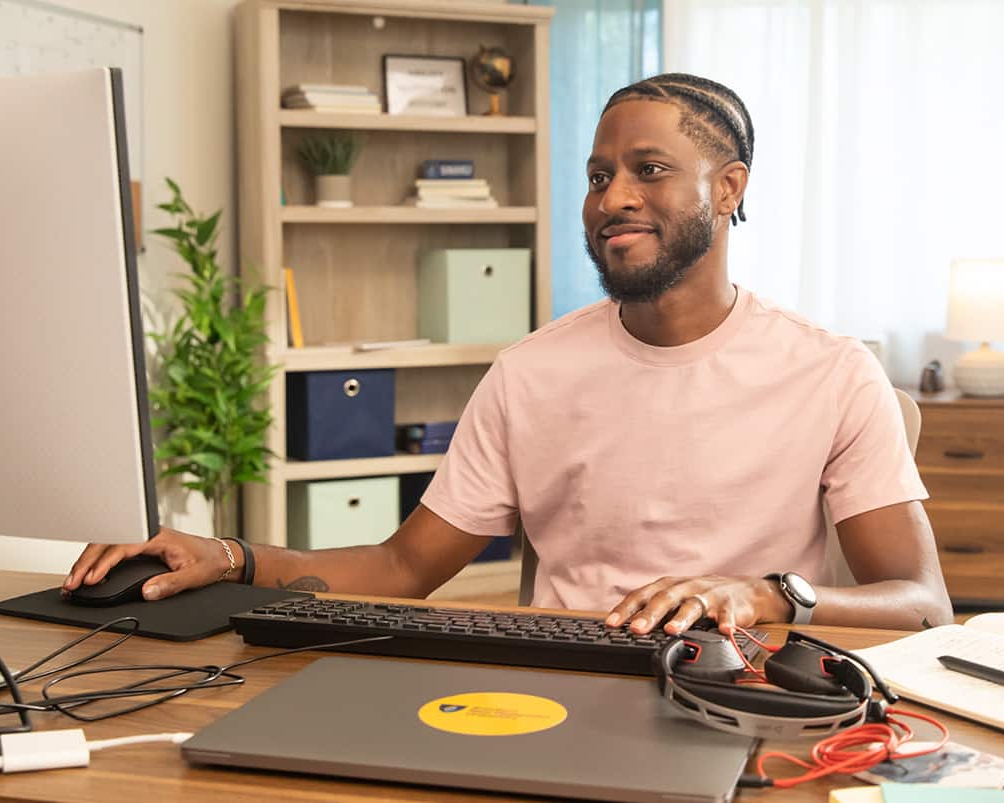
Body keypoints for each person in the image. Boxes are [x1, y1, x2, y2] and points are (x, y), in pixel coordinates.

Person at [67, 73, 953, 636]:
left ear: (728, 189)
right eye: (599, 175)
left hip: (747, 686)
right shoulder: (531, 372)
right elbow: (403, 569)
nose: (613, 198)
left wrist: (764, 594)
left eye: (649, 169)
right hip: (559, 683)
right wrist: (230, 557)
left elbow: (919, 601)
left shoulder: (832, 373)